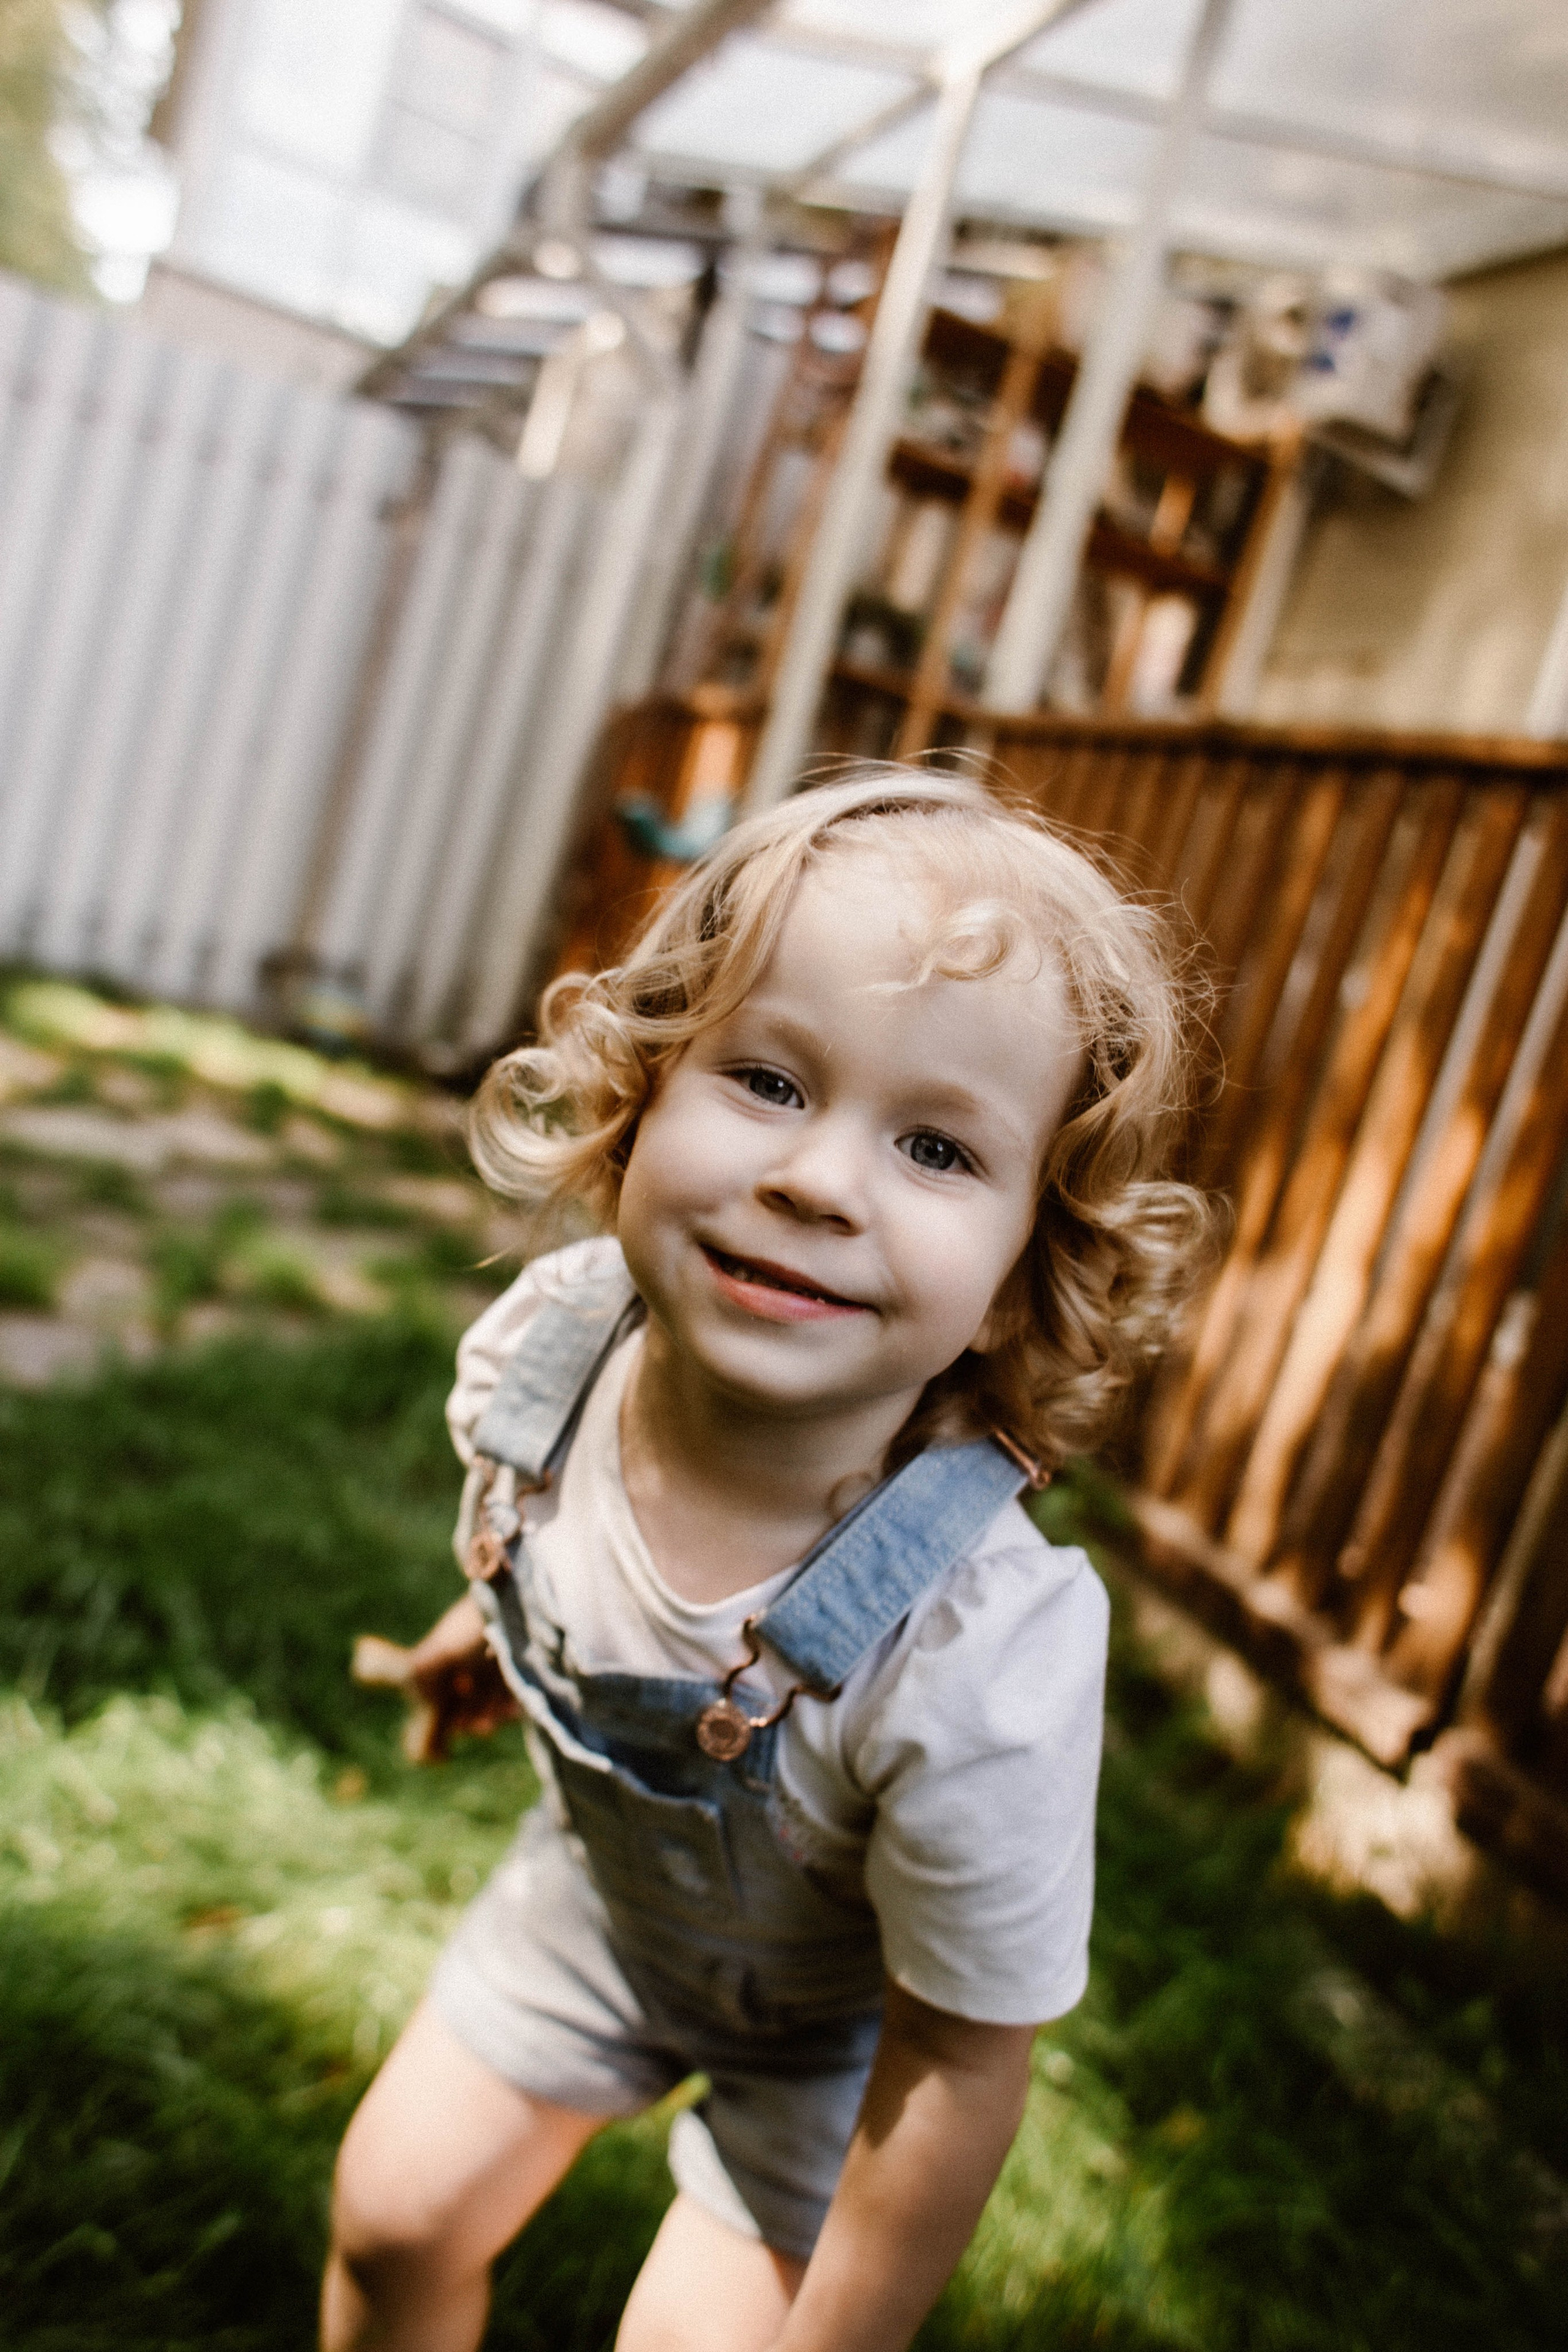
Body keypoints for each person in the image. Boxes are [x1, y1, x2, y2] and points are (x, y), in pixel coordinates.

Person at [321, 769, 1213, 2352]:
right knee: (394, 2221)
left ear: (1025, 1271)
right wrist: (489, 1621)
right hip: (599, 1914)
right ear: (641, 1094)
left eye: (939, 1151)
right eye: (772, 1083)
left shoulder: (978, 1650)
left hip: (845, 2053)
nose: (818, 1180)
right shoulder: (550, 1358)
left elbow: (960, 2057)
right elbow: (553, 1534)